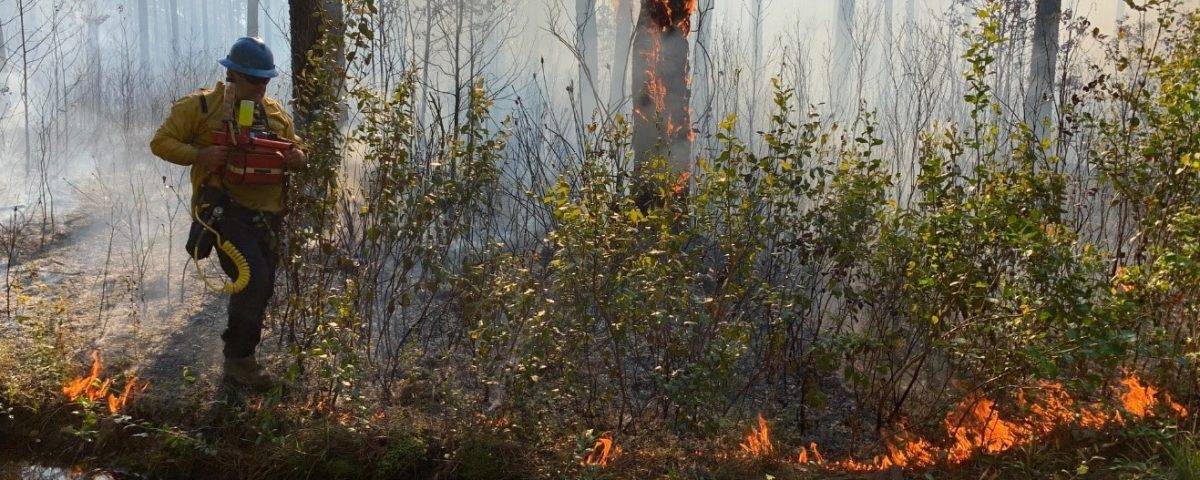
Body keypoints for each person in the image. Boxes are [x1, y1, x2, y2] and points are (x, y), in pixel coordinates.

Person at [150, 37, 306, 392]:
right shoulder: (202, 107)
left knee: (261, 285)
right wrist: (200, 154)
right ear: (233, 74)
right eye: (255, 80)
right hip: (223, 213)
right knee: (252, 278)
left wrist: (300, 158)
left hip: (268, 216)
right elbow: (161, 142)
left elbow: (297, 148)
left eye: (266, 80)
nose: (262, 87)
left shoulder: (276, 113)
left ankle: (242, 356)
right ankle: (239, 363)